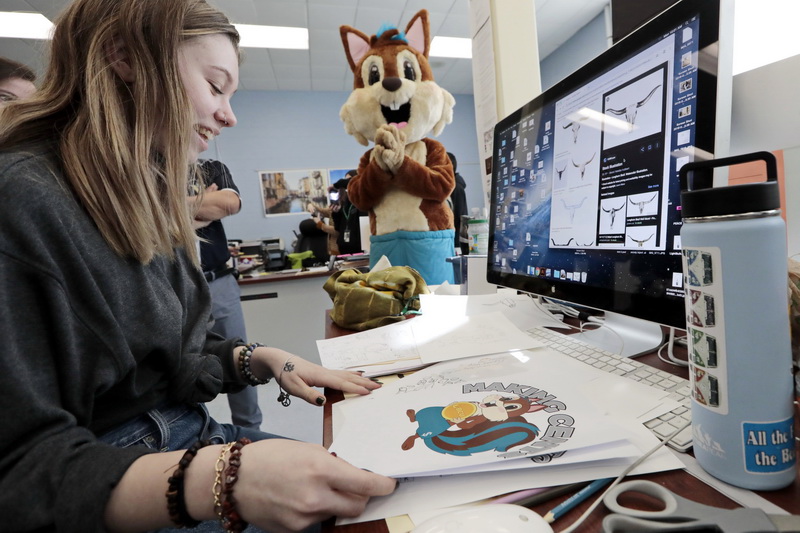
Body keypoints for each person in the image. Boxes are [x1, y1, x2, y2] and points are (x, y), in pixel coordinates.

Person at [0, 1, 395, 533]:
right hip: (116, 481)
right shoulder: (21, 199)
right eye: (215, 86)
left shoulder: (140, 202)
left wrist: (264, 358)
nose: (229, 115)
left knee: (377, 496)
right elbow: (20, 473)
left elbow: (171, 358)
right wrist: (221, 478)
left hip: (188, 436)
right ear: (125, 58)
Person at [189, 159, 263, 429]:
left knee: (241, 358)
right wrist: (203, 201)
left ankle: (248, 431)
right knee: (182, 364)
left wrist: (170, 209)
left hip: (218, 281)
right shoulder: (148, 168)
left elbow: (229, 204)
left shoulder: (210, 166)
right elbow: (141, 216)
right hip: (174, 282)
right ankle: (190, 433)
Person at [446, 152, 469, 252]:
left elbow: (459, 218)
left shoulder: (456, 188)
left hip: (455, 244)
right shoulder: (450, 186)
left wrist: (456, 245)